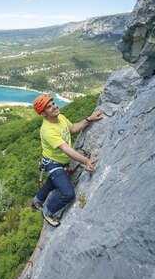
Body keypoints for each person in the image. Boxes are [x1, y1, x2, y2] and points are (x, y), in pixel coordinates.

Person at [31, 95, 103, 227]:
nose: (54, 106)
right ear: (43, 113)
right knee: (68, 193)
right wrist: (86, 161)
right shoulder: (47, 130)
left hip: (60, 162)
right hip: (53, 164)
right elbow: (66, 149)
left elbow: (73, 128)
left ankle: (37, 199)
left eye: (53, 103)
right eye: (49, 107)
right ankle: (47, 211)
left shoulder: (60, 118)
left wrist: (89, 119)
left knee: (52, 183)